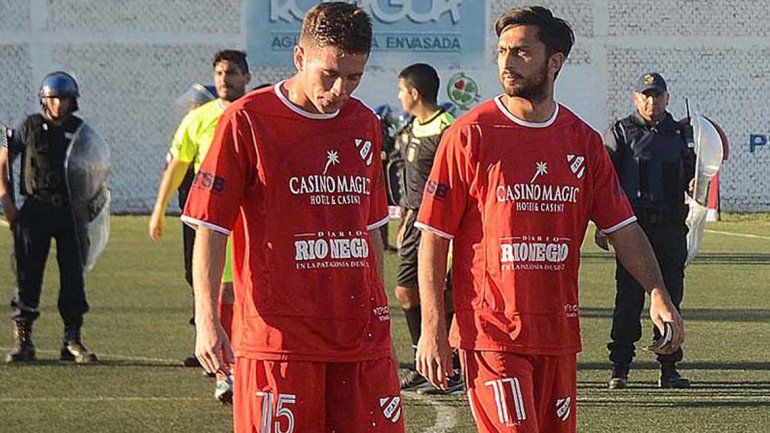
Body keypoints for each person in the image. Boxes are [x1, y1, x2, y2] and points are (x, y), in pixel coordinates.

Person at [414, 6, 685, 433]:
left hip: (558, 334)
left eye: (521, 52)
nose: (506, 62)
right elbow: (434, 236)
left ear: (554, 62)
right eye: (503, 51)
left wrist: (657, 293)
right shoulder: (470, 134)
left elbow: (623, 228)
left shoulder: (583, 141)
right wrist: (432, 326)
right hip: (492, 334)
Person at [182, 3, 404, 432]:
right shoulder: (246, 120)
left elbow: (371, 228)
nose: (340, 90)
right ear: (300, 57)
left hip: (360, 340)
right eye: (330, 75)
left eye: (354, 77)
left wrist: (380, 320)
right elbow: (210, 227)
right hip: (279, 343)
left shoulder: (364, 123)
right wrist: (207, 321)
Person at [148, 50, 251, 403]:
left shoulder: (256, 114)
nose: (225, 79)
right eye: (220, 72)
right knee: (214, 292)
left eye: (232, 72)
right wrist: (159, 210)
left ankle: (248, 364)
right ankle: (226, 371)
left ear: (246, 78)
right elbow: (178, 165)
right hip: (211, 222)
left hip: (250, 222)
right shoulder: (198, 118)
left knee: (245, 293)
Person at [596, 72, 695, 389]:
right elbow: (604, 178)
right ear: (636, 98)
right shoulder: (621, 132)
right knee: (628, 300)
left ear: (667, 98)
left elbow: (697, 174)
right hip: (633, 230)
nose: (652, 101)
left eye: (657, 95)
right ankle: (620, 368)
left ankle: (668, 368)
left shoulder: (683, 134)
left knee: (671, 300)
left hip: (670, 229)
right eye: (645, 95)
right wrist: (603, 224)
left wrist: (698, 182)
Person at [0, 71, 103, 364]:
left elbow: (93, 170)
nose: (58, 104)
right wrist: (7, 203)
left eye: (64, 98)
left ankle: (71, 340)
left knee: (73, 276)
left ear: (73, 101)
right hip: (35, 210)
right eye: (53, 98)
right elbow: (3, 162)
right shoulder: (28, 127)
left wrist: (91, 206)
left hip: (71, 213)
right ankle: (24, 342)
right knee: (27, 274)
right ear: (44, 99)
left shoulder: (80, 131)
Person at [391, 63, 459, 394]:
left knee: (445, 292)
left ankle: (451, 366)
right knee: (406, 290)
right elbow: (408, 182)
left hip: (442, 222)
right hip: (415, 221)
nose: (399, 97)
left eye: (401, 91)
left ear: (415, 93)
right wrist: (405, 218)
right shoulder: (410, 129)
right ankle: (426, 359)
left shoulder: (448, 128)